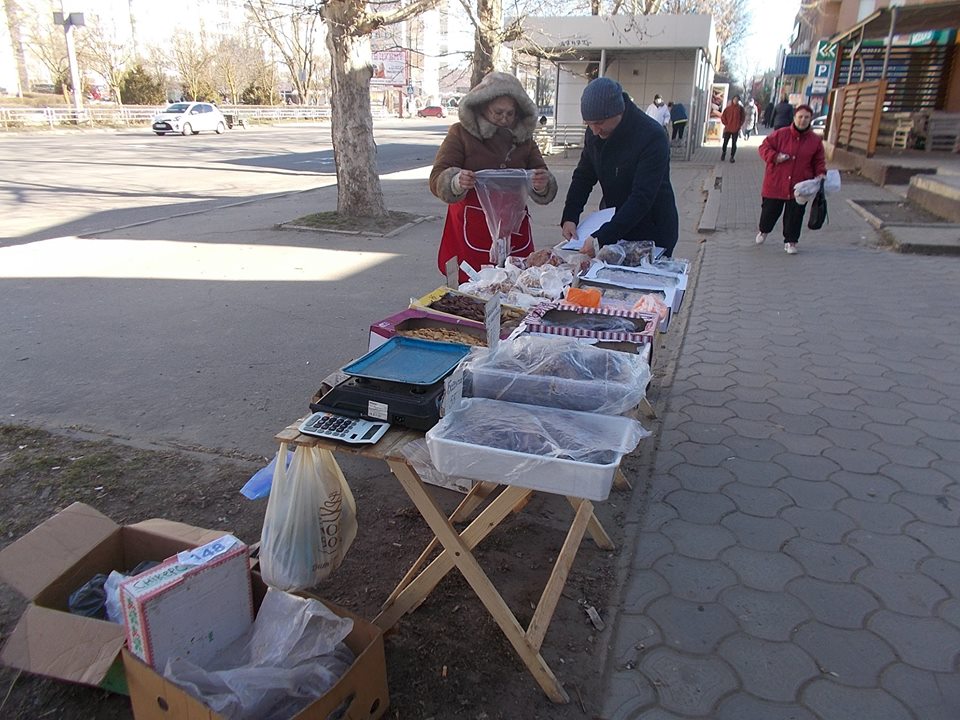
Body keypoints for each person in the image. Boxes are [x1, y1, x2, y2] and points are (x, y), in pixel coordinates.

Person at [429, 72, 558, 280]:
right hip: (472, 226)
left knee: (517, 283)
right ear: (482, 106)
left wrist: (541, 184)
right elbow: (436, 177)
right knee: (470, 291)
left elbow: (542, 175)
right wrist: (456, 181)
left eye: (510, 113)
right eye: (498, 113)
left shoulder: (524, 139)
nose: (504, 119)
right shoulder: (461, 134)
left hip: (514, 226)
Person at [561, 77, 679, 258]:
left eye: (599, 123)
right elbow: (583, 176)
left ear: (618, 112)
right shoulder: (594, 133)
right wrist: (570, 216)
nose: (594, 131)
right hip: (614, 222)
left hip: (652, 230)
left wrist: (602, 237)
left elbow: (642, 197)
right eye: (588, 124)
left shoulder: (651, 136)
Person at [756, 104, 826, 255]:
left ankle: (791, 241)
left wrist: (820, 173)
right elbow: (763, 148)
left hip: (800, 185)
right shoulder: (780, 134)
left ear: (810, 119)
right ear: (794, 118)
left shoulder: (815, 140)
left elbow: (819, 160)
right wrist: (775, 157)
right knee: (769, 213)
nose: (803, 120)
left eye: (806, 117)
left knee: (795, 215)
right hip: (776, 182)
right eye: (800, 117)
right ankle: (764, 230)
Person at [720, 95, 745, 163]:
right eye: (734, 99)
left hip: (735, 129)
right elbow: (723, 116)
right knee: (725, 142)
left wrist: (739, 125)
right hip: (728, 128)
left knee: (734, 143)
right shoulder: (728, 108)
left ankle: (732, 157)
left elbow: (743, 117)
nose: (735, 101)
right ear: (732, 100)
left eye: (737, 100)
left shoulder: (740, 109)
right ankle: (724, 152)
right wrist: (726, 123)